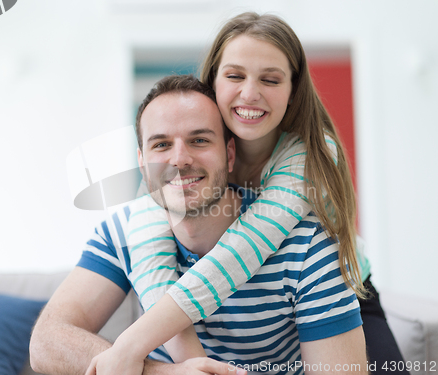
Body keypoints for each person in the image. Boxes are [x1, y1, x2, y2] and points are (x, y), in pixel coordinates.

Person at [114, 12, 408, 375]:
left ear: (292, 91)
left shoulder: (309, 156)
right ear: (213, 82)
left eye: (270, 79)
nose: (250, 93)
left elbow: (241, 251)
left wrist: (130, 344)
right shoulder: (194, 154)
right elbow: (145, 241)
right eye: (235, 75)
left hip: (345, 293)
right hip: (230, 301)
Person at [30, 74, 368, 375]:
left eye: (200, 140)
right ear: (141, 162)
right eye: (161, 144)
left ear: (230, 154)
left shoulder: (306, 245)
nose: (180, 159)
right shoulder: (120, 233)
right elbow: (46, 343)